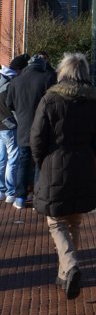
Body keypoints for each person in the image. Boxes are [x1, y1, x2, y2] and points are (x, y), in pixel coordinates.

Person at [31, 52, 96, 299]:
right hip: (83, 165)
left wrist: (41, 161)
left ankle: (71, 265)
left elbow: (37, 138)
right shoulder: (94, 101)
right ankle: (64, 274)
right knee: (74, 220)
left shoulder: (50, 99)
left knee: (56, 220)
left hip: (55, 163)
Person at [7, 53, 53, 209]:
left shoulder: (16, 81)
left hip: (23, 127)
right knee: (40, 162)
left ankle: (20, 197)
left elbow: (9, 104)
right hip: (42, 127)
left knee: (23, 162)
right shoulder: (47, 78)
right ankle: (37, 196)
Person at [0, 55, 29, 205]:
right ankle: (11, 192)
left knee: (2, 158)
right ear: (19, 69)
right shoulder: (12, 82)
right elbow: (13, 106)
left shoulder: (1, 77)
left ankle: (1, 190)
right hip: (10, 126)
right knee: (13, 159)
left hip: (0, 126)